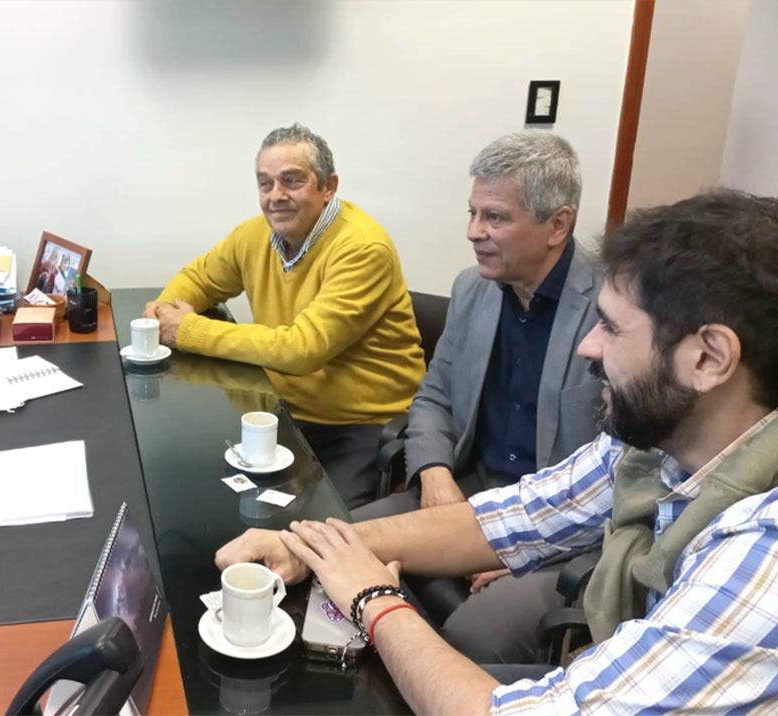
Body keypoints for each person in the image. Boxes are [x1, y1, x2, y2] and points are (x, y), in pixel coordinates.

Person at [216, 190, 778, 713]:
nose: (590, 345)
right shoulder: (658, 445)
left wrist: (374, 599)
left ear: (708, 359)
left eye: (611, 328)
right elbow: (522, 515)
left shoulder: (763, 553)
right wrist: (309, 545)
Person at [354, 132, 603, 663]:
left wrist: (529, 547)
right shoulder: (473, 288)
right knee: (344, 544)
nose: (473, 233)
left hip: (566, 526)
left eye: (495, 218)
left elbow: (627, 475)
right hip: (471, 490)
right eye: (472, 213)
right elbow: (432, 399)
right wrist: (435, 475)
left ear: (558, 224)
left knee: (475, 635)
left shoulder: (614, 310)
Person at [144, 124, 425, 508]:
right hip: (282, 409)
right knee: (196, 493)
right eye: (265, 183)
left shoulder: (363, 248)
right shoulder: (255, 235)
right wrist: (165, 308)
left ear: (328, 186)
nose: (276, 196)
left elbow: (301, 350)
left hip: (360, 424)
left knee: (317, 538)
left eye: (292, 181)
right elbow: (200, 278)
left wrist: (188, 329)